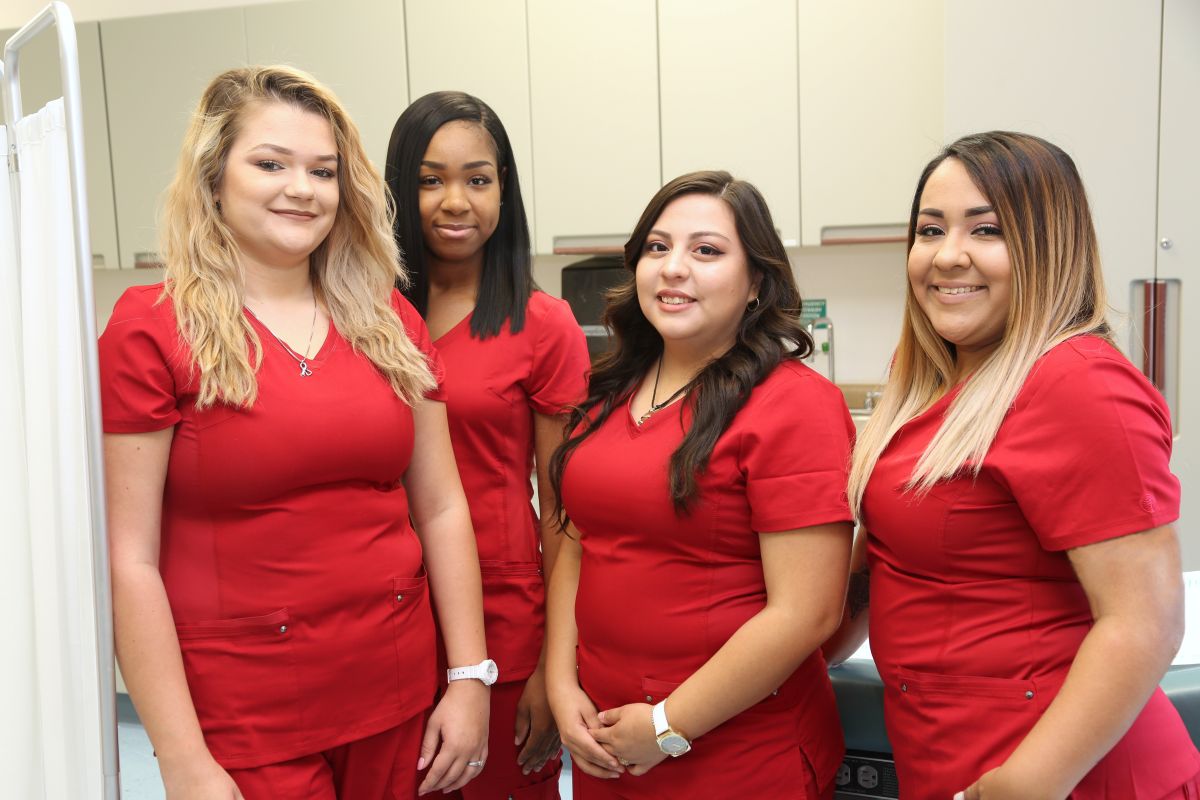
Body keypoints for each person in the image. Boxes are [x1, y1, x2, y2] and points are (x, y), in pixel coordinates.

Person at [100, 66, 493, 799]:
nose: (301, 188)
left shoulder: (388, 322)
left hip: (397, 691)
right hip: (245, 713)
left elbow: (441, 507)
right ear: (215, 177)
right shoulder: (151, 329)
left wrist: (470, 677)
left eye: (323, 171)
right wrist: (183, 760)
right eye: (270, 163)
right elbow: (130, 561)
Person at [826, 131, 1200, 799]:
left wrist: (1023, 786)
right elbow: (881, 569)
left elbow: (1147, 621)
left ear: (1047, 244)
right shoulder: (929, 379)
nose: (947, 256)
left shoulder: (1078, 383)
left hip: (1062, 775)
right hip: (947, 758)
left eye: (987, 230)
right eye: (929, 229)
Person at [545, 170, 854, 799]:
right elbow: (578, 544)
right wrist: (559, 683)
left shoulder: (795, 405)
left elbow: (807, 611)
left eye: (706, 251)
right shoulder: (608, 396)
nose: (673, 268)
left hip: (736, 757)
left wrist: (666, 727)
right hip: (610, 748)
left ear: (757, 284)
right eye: (657, 248)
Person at [385, 90, 588, 799]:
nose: (455, 201)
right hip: (386, 611)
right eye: (430, 179)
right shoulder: (363, 317)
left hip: (504, 615)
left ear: (505, 188)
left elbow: (564, 512)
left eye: (478, 178)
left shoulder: (542, 323)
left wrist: (552, 669)